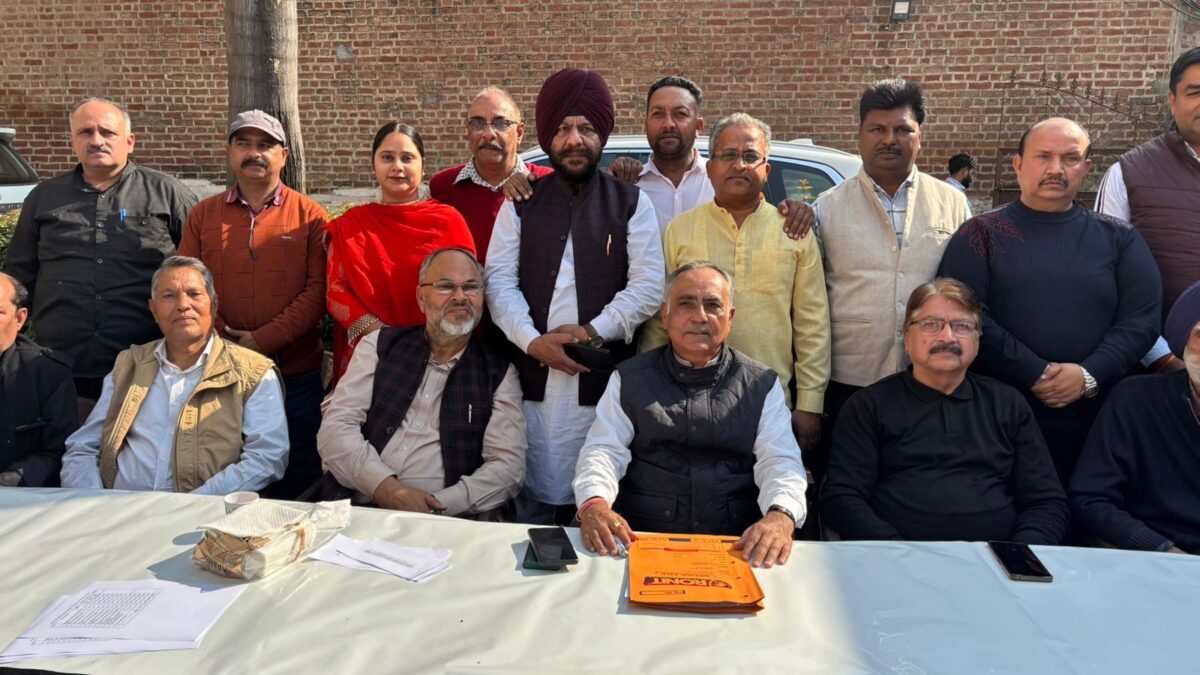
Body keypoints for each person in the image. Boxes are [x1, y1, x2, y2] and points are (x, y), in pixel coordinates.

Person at [485, 68, 664, 525]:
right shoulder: (520, 201)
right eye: (563, 128)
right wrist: (532, 342)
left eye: (586, 128)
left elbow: (648, 287)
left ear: (602, 134)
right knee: (526, 502)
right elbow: (498, 281)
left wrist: (590, 331)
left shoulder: (631, 202)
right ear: (548, 136)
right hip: (527, 375)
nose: (574, 140)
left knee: (596, 497)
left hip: (602, 379)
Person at [939, 117, 1161, 483]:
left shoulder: (1119, 239)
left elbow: (1142, 320)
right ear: (1018, 164)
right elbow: (965, 314)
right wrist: (1034, 372)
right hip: (1000, 412)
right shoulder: (980, 234)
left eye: (1070, 158)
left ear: (1086, 168)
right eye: (1043, 156)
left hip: (1099, 414)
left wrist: (1088, 374)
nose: (1056, 169)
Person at [573, 261, 807, 568]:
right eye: (686, 304)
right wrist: (594, 504)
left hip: (737, 546)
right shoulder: (629, 378)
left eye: (713, 305)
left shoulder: (760, 384)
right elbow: (603, 451)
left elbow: (780, 461)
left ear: (730, 318)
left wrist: (781, 515)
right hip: (643, 541)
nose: (700, 317)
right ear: (665, 315)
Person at [821, 278, 1068, 544]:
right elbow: (842, 498)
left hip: (998, 561)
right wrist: (896, 551)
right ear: (907, 338)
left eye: (962, 326)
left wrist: (1017, 555)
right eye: (931, 324)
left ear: (978, 341)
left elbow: (1046, 502)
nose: (947, 337)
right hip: (896, 559)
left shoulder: (1008, 405)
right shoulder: (868, 406)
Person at [809, 79, 970, 484]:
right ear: (860, 136)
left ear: (920, 136)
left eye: (902, 129)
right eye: (877, 129)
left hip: (932, 376)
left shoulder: (952, 203)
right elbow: (811, 297)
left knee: (920, 483)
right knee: (850, 482)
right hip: (851, 376)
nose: (889, 139)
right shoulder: (828, 207)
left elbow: (966, 288)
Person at [640, 113, 830, 451]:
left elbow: (812, 323)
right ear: (710, 167)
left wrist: (809, 403)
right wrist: (650, 389)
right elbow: (659, 317)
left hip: (770, 401)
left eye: (750, 156)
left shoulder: (793, 232)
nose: (739, 165)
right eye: (728, 155)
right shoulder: (680, 230)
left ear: (766, 169)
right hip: (686, 399)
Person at [5, 97, 197, 409]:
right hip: (62, 366)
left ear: (129, 141)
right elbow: (18, 278)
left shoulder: (168, 193)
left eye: (107, 132)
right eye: (86, 132)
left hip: (148, 363)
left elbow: (201, 269)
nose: (96, 140)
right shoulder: (43, 198)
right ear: (73, 141)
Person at [177, 110, 327, 499]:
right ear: (229, 151)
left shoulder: (310, 216)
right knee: (225, 468)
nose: (254, 153)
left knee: (299, 474)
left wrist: (262, 340)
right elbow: (187, 286)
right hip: (220, 373)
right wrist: (227, 343)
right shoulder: (203, 215)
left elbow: (317, 291)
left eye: (265, 145)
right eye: (243, 143)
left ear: (284, 155)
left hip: (294, 373)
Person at [317, 248, 525, 519]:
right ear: (421, 298)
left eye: (471, 287)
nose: (460, 297)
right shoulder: (379, 346)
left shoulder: (500, 373)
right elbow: (335, 429)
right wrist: (387, 490)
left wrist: (437, 505)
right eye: (445, 286)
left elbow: (508, 467)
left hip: (450, 522)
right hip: (356, 510)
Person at [60, 256, 289, 493]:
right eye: (169, 296)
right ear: (153, 309)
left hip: (204, 511)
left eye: (194, 294)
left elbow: (267, 457)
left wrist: (193, 504)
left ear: (214, 304)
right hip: (119, 509)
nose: (183, 305)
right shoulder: (129, 365)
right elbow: (83, 448)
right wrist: (96, 501)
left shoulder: (253, 373)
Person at [326, 122, 475, 381]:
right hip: (372, 355)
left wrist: (430, 343)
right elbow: (335, 291)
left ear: (423, 166)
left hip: (440, 354)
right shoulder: (351, 225)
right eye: (387, 158)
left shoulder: (447, 221)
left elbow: (468, 289)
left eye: (407, 158)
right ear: (373, 164)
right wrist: (385, 337)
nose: (397, 166)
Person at [586, 76, 814, 237]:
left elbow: (760, 214)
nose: (668, 124)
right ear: (646, 124)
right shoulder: (629, 186)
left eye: (680, 114)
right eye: (658, 114)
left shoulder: (725, 181)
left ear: (699, 126)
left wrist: (793, 210)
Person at [1069, 282, 1200, 553]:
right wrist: (1163, 551)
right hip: (1152, 558)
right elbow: (1090, 498)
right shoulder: (1136, 399)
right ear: (1184, 340)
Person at [1096, 47, 1200, 372]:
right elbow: (1102, 277)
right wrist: (1164, 358)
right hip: (1162, 368)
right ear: (1172, 100)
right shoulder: (1128, 173)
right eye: (1195, 92)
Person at [428, 87, 554, 263]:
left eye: (500, 123)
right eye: (477, 123)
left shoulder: (547, 184)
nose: (488, 134)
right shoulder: (443, 188)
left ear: (519, 133)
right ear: (468, 131)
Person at [0, 273, 78, 487]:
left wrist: (8, 481)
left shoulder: (49, 373)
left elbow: (59, 452)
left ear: (19, 318)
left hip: (19, 497)